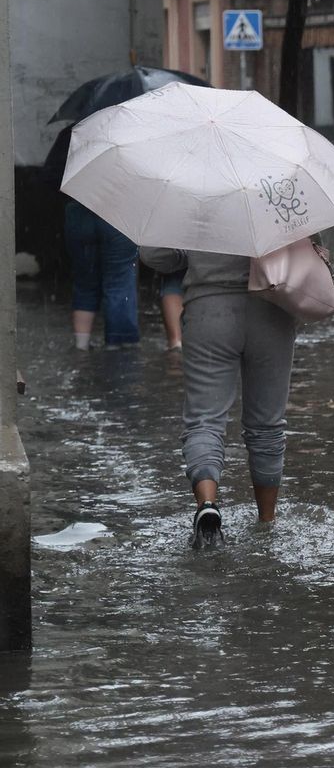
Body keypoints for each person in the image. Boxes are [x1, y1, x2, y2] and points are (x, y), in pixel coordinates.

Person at [139, 246, 296, 548]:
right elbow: (309, 245)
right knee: (267, 425)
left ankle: (207, 505)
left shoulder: (197, 196)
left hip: (209, 310)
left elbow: (154, 255)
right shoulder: (279, 197)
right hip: (272, 308)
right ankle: (266, 522)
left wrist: (189, 254)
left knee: (204, 420)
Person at [49, 128, 139, 350]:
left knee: (84, 280)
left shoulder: (74, 133)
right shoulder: (128, 136)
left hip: (79, 210)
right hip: (117, 212)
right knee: (118, 280)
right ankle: (116, 343)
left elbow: (51, 176)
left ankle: (81, 344)